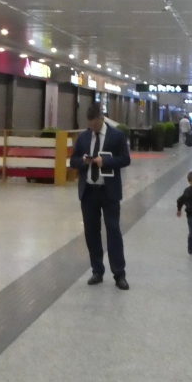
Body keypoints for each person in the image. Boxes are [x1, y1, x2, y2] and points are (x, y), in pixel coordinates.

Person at [69, 103, 132, 289]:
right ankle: (97, 270)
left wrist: (106, 161)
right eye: (89, 125)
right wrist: (82, 161)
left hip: (109, 192)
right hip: (89, 191)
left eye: (95, 124)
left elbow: (126, 159)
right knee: (91, 232)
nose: (92, 128)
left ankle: (119, 274)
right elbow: (73, 161)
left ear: (102, 119)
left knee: (113, 231)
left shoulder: (117, 136)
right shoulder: (83, 137)